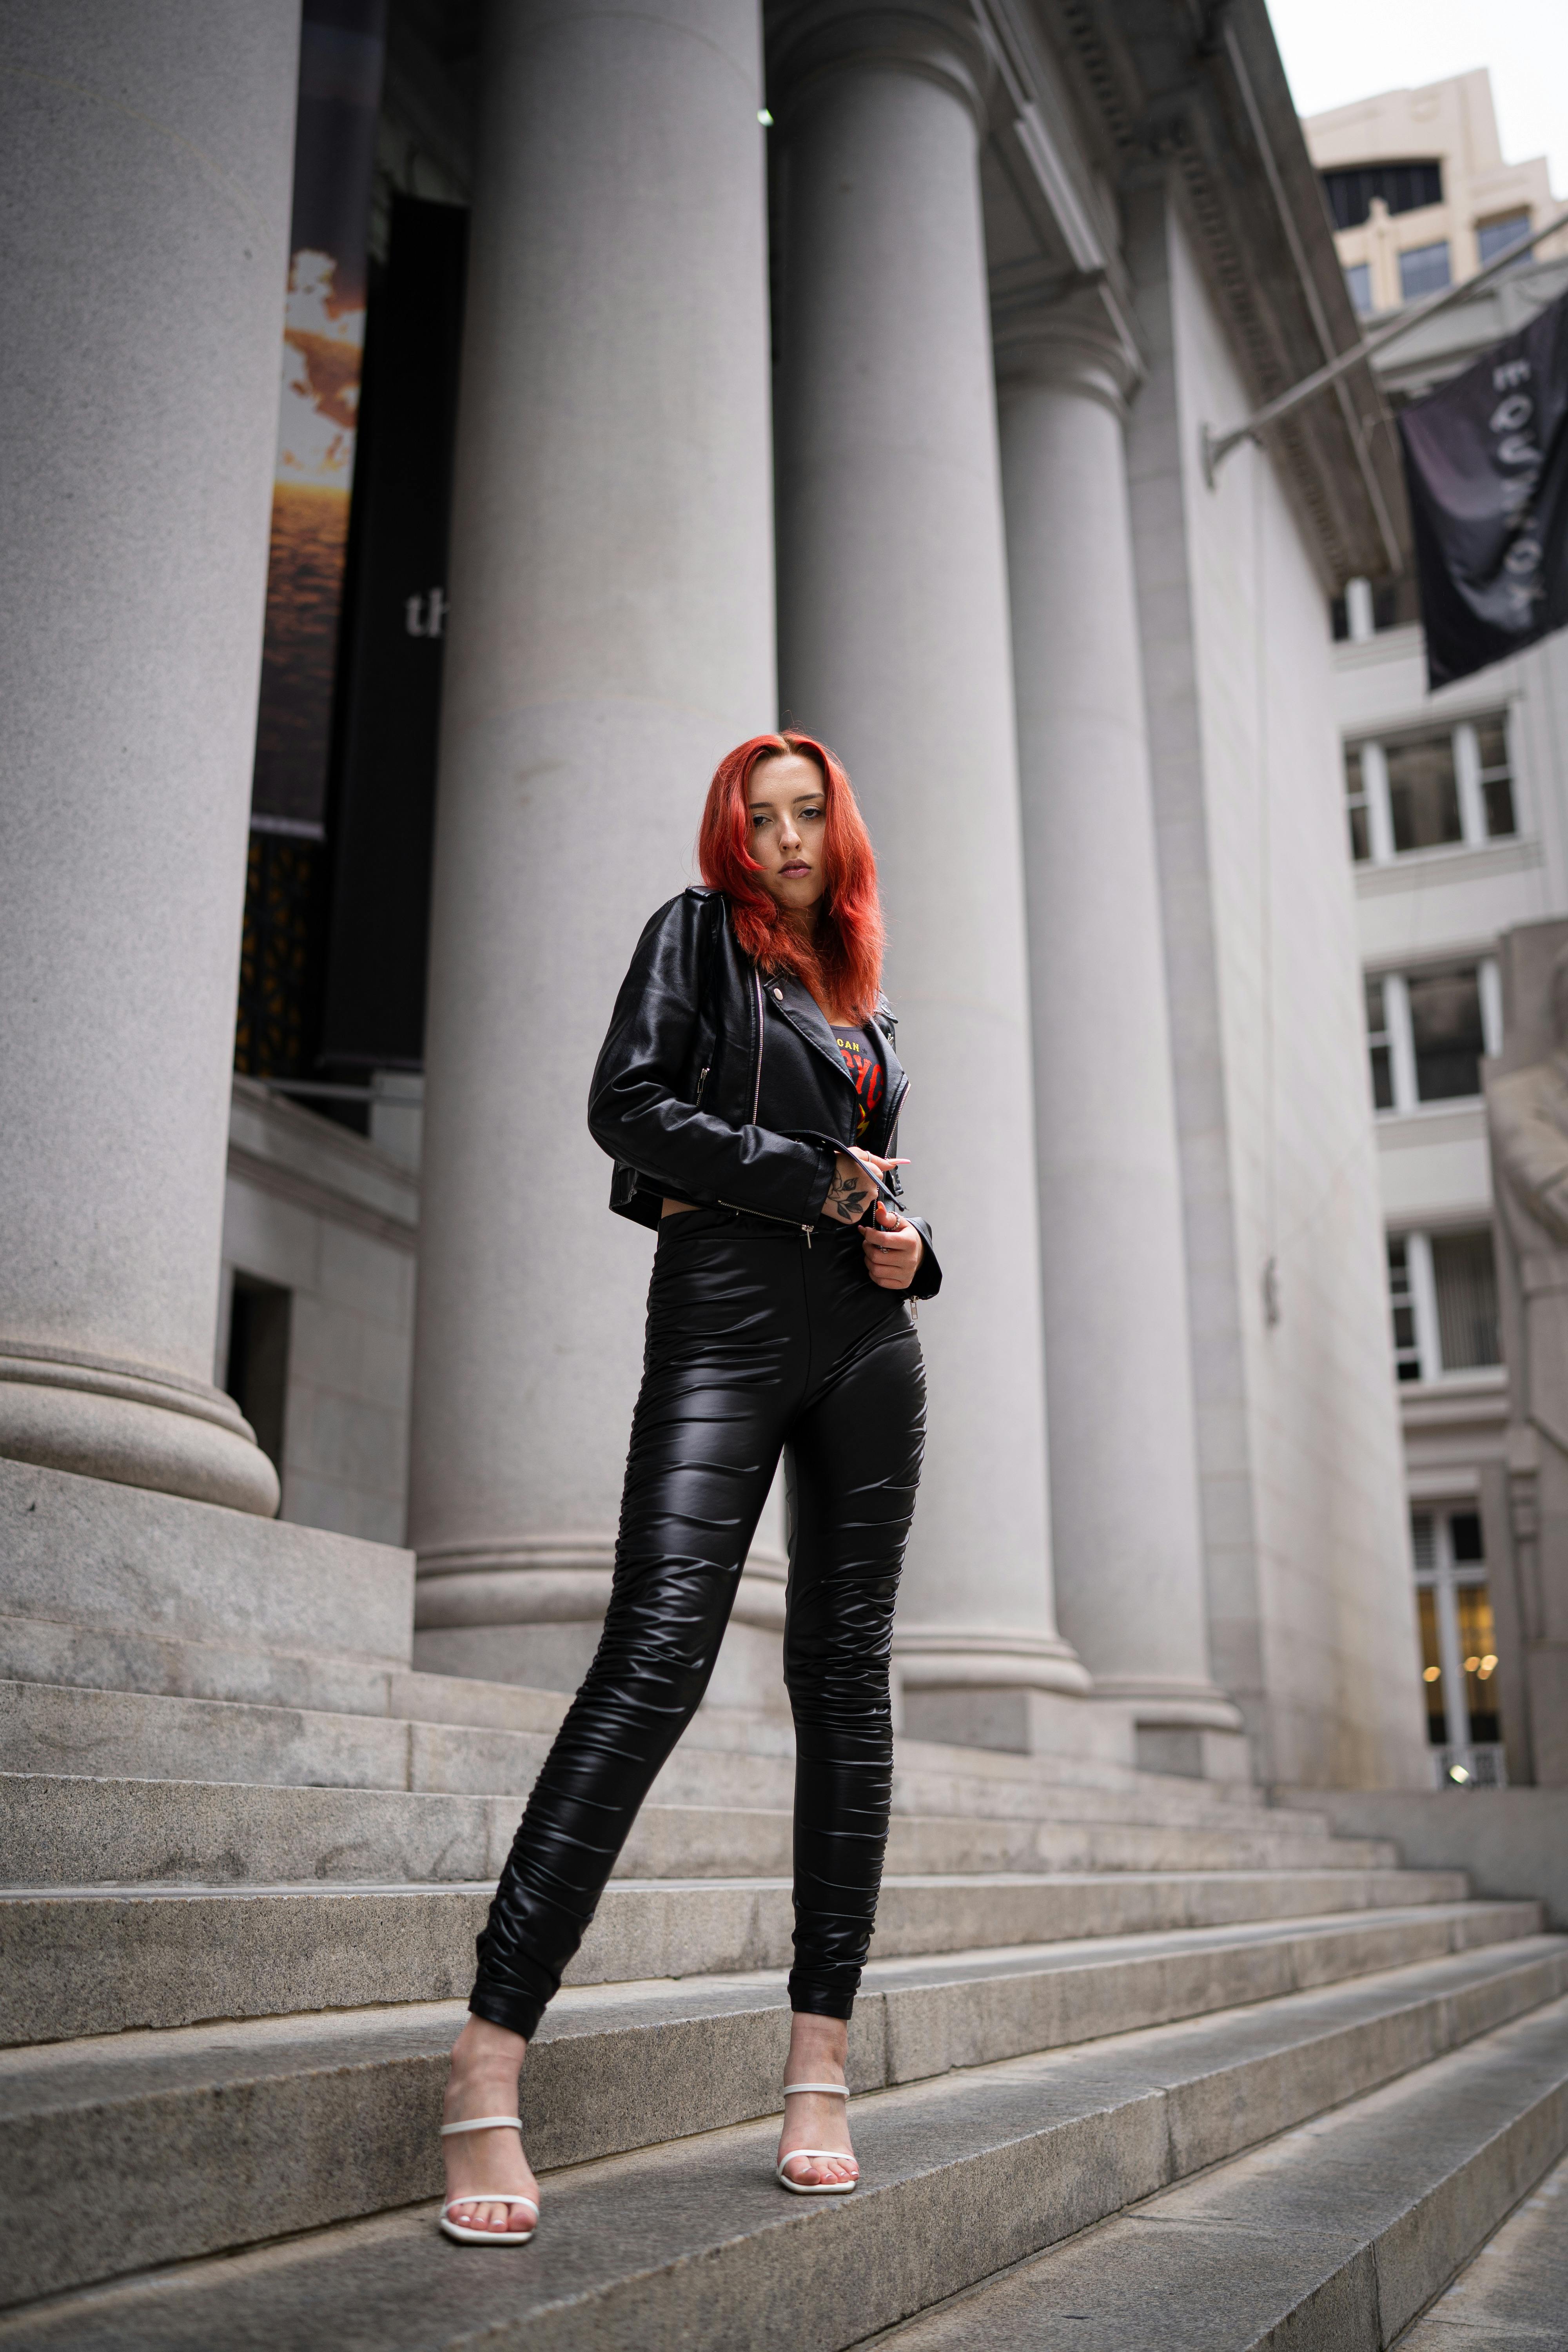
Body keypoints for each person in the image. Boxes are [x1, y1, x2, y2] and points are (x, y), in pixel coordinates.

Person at [437, 730, 941, 2244]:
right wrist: (815, 1177)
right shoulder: (697, 941)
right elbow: (629, 1107)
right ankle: (484, 2064)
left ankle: (818, 2069)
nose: (786, 838)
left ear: (836, 830)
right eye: (761, 816)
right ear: (734, 831)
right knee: (655, 1657)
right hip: (723, 1317)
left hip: (867, 1340)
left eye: (809, 815)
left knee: (847, 1681)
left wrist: (913, 1245)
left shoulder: (859, 996)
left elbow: (887, 1185)